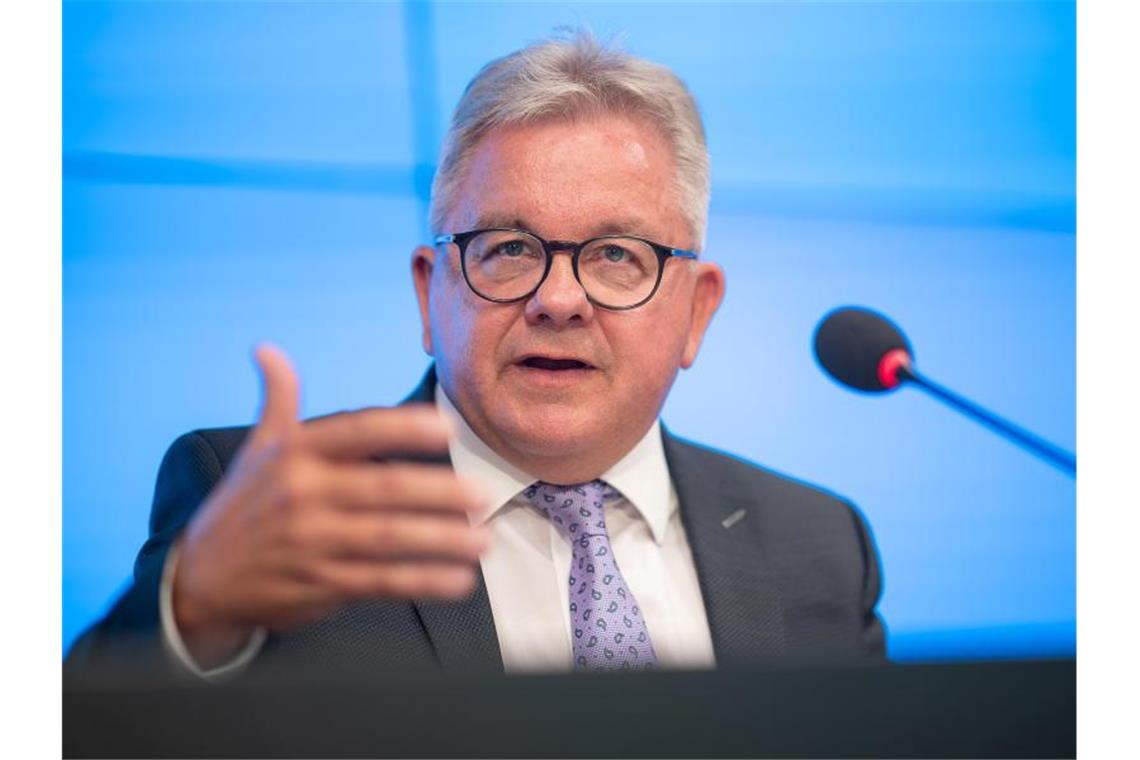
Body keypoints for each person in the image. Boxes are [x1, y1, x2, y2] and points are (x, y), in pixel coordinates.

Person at [65, 31, 885, 682]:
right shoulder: (271, 508)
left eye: (615, 256)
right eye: (508, 248)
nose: (558, 299)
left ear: (698, 310)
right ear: (430, 293)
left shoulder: (817, 544)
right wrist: (193, 608)